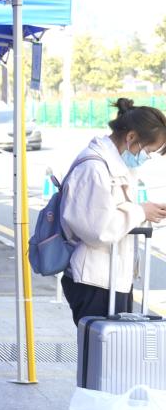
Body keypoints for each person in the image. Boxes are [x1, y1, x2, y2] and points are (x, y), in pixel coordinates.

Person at [60, 99, 166, 325]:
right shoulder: (94, 168)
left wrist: (146, 212)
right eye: (148, 150)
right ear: (131, 137)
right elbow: (98, 229)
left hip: (110, 276)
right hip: (94, 280)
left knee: (114, 344)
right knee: (100, 345)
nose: (147, 157)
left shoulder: (113, 165)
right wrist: (140, 212)